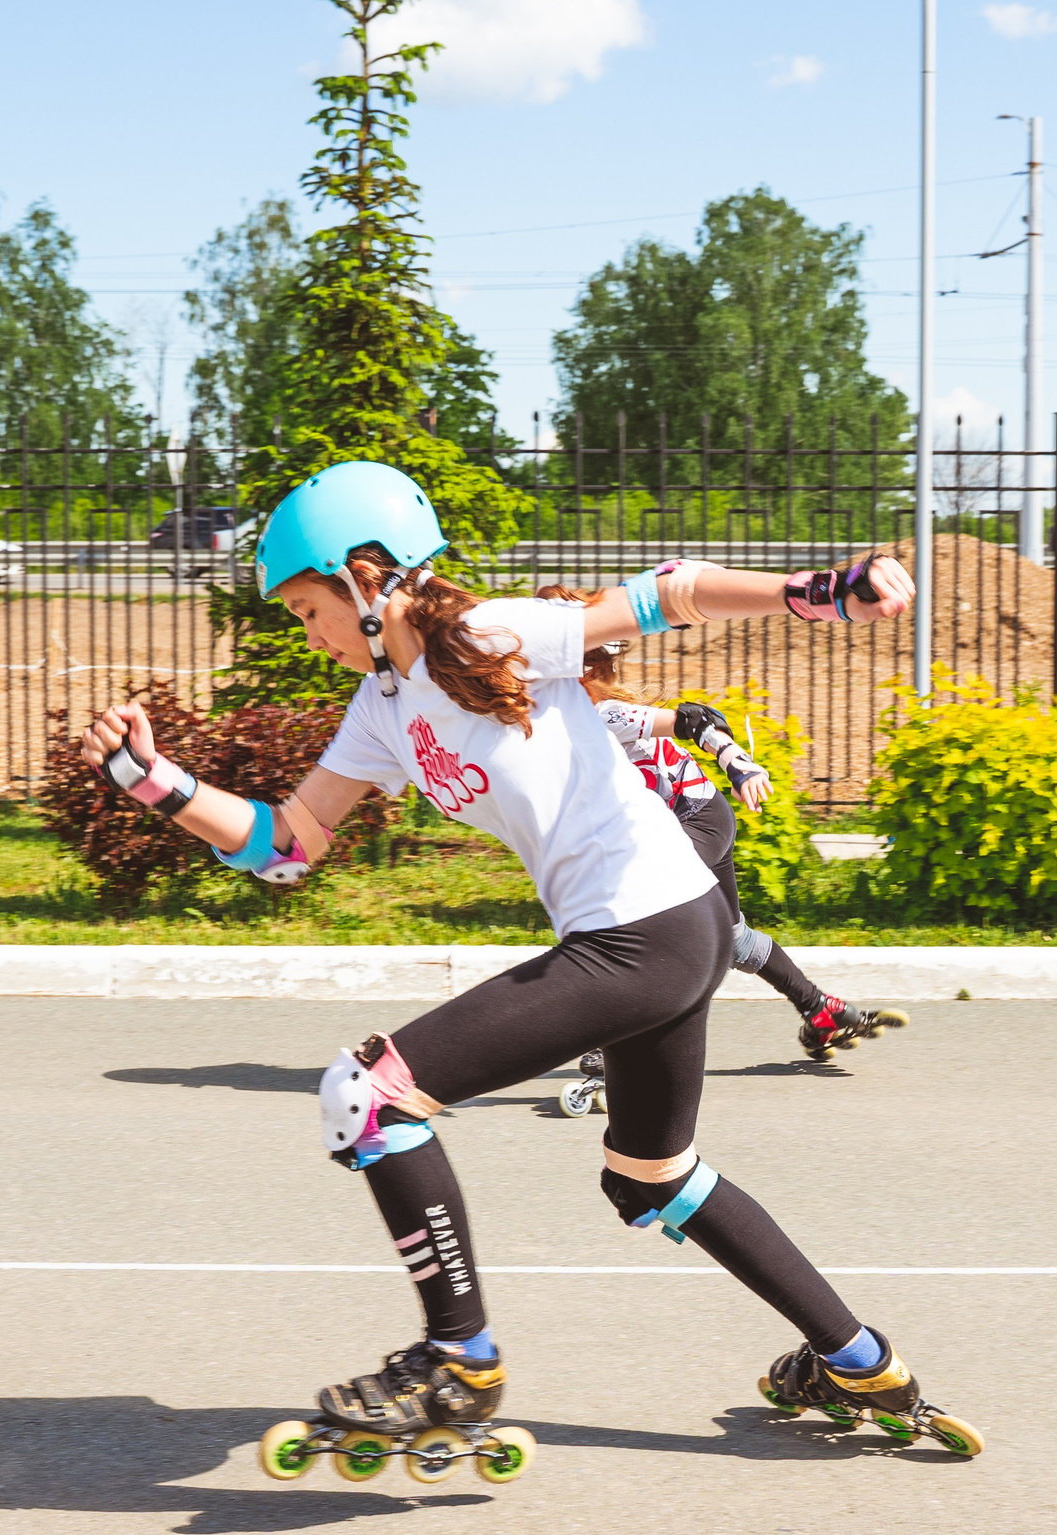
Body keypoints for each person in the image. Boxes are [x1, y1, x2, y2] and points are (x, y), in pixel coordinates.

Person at [80, 461, 983, 1477]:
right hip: (661, 932)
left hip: (641, 933)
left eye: (307, 608)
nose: (308, 635)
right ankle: (858, 1363)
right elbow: (289, 844)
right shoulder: (385, 707)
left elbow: (662, 592)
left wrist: (813, 592)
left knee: (367, 1096)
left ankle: (458, 1359)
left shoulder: (483, 632)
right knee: (651, 1179)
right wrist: (155, 785)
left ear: (366, 578)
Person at [533, 581, 908, 1069]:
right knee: (732, 939)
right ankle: (820, 1010)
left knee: (638, 920)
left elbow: (697, 722)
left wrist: (738, 763)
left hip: (695, 820)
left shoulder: (601, 713)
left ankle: (617, 1046)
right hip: (700, 816)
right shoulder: (554, 715)